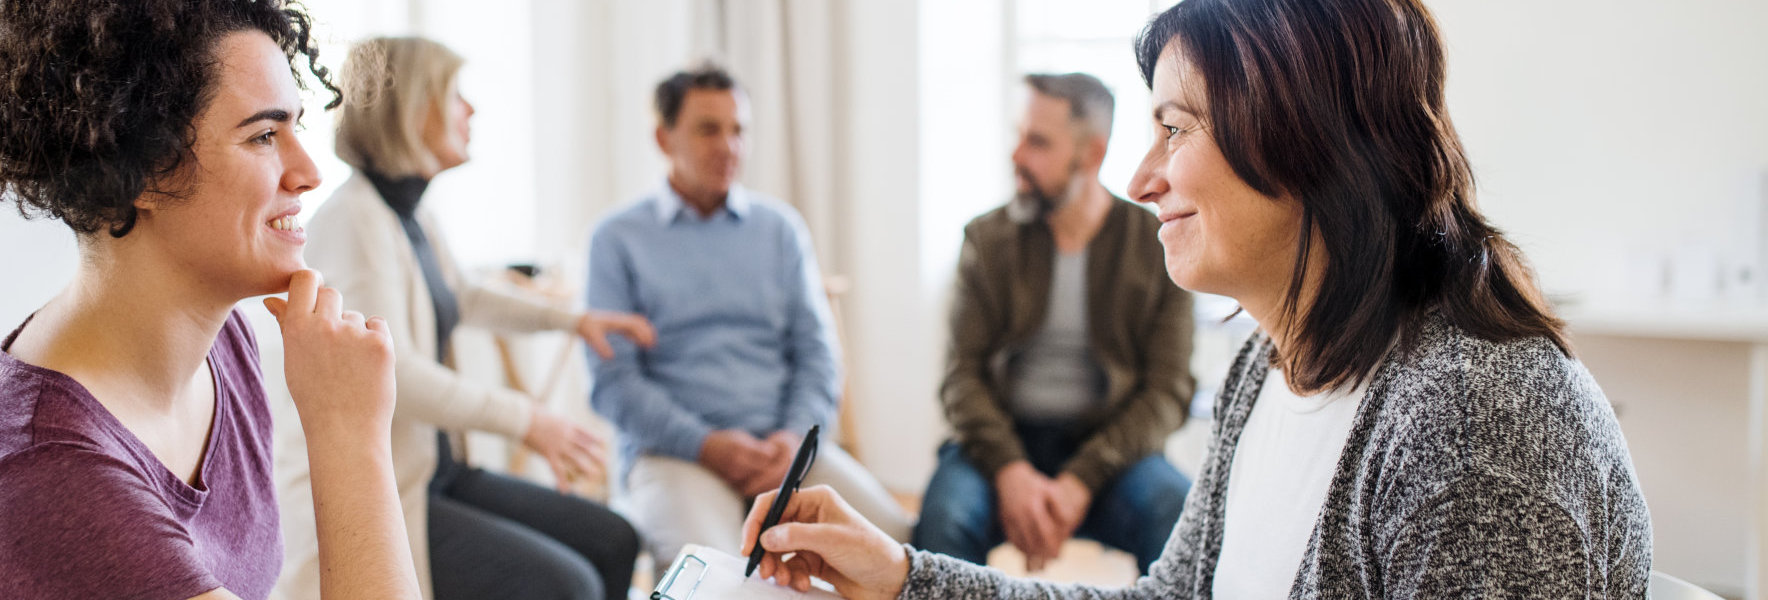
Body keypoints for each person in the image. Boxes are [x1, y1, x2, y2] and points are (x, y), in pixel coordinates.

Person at [735, 0, 1655, 598]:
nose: (1144, 177)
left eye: (1174, 129)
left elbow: (1156, 396)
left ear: (1308, 141)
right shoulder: (1273, 358)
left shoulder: (1472, 422)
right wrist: (900, 575)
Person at [0, 1, 422, 598]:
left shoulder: (222, 348)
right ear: (144, 170)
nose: (310, 171)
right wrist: (350, 436)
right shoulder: (47, 485)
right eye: (264, 135)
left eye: (296, 128)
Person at [273, 36, 650, 600]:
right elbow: (395, 369)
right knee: (568, 586)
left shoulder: (409, 211)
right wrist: (528, 420)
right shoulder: (355, 222)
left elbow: (464, 295)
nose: (469, 110)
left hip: (440, 472)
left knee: (615, 538)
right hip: (398, 491)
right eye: (453, 95)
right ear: (412, 108)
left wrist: (573, 321)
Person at [585, 62, 912, 569]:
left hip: (785, 451)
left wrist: (792, 438)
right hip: (677, 456)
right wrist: (707, 445)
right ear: (663, 137)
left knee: (898, 548)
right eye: (708, 129)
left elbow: (817, 354)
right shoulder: (616, 239)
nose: (729, 146)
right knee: (712, 574)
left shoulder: (780, 230)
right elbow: (614, 383)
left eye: (739, 130)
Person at [915, 72, 1194, 576]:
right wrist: (1011, 470)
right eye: (1018, 135)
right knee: (942, 523)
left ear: (1091, 155)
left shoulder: (1155, 245)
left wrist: (1081, 479)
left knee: (1177, 513)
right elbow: (961, 377)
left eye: (1038, 142)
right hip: (998, 443)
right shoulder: (986, 240)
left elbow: (1168, 389)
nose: (1016, 155)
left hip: (1108, 448)